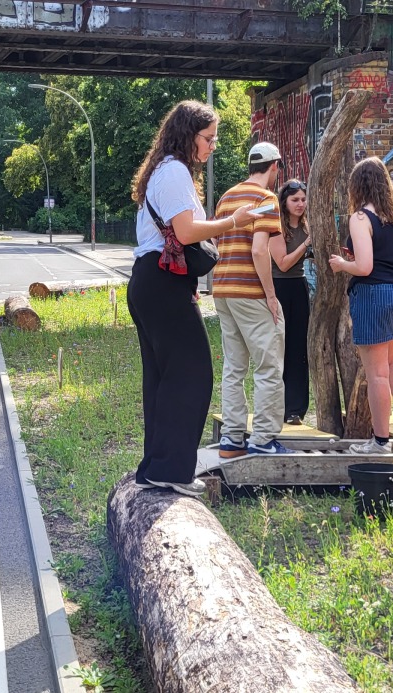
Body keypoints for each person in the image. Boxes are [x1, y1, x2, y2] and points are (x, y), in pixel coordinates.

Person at [127, 100, 262, 496]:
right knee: (192, 373)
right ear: (188, 136)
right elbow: (185, 232)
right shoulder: (173, 171)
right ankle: (170, 469)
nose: (213, 145)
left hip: (154, 282)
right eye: (208, 138)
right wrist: (233, 222)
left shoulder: (165, 170)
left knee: (163, 377)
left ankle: (158, 466)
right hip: (161, 283)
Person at [328, 158, 393, 454]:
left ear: (358, 186)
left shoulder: (360, 218)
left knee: (377, 372)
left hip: (373, 297)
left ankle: (380, 442)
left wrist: (343, 264)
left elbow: (364, 267)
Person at [213, 143, 291, 457]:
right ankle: (263, 439)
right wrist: (271, 296)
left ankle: (231, 438)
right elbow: (260, 250)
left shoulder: (226, 198)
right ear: (275, 166)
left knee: (234, 367)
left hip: (223, 289)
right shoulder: (266, 198)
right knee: (268, 366)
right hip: (250, 292)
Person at [269, 179, 311, 426]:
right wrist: (307, 244)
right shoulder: (277, 227)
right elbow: (283, 263)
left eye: (303, 199)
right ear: (284, 201)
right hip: (279, 287)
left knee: (299, 349)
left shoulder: (307, 225)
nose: (300, 204)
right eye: (295, 199)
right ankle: (278, 405)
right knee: (278, 348)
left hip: (299, 286)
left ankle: (296, 409)